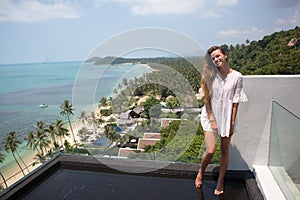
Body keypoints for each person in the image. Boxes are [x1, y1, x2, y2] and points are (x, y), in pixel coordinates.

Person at [195, 46, 248, 195]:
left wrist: (231, 123)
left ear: (225, 55)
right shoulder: (210, 75)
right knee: (211, 151)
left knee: (225, 149)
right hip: (210, 115)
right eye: (213, 58)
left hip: (227, 117)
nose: (216, 59)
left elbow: (236, 101)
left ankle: (220, 180)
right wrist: (212, 119)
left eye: (218, 56)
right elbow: (207, 99)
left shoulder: (237, 76)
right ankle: (200, 172)